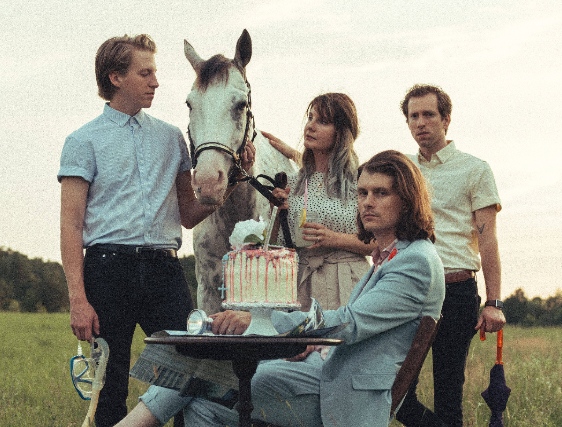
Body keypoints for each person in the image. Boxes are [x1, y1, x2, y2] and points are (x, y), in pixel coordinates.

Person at [58, 34, 253, 427]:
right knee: (109, 384)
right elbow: (71, 225)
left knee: (189, 372)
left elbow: (189, 213)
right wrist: (78, 299)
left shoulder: (171, 138)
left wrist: (235, 177)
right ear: (115, 77)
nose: (156, 82)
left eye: (155, 72)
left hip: (164, 271)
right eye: (145, 73)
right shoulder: (83, 141)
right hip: (107, 269)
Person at [178, 150, 445, 427]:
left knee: (202, 396)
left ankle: (147, 416)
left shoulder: (415, 261)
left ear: (407, 201)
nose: (367, 202)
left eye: (381, 193)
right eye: (362, 193)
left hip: (346, 394)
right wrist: (312, 344)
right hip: (327, 369)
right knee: (206, 380)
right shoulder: (392, 255)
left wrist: (261, 320)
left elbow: (350, 323)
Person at [395, 84, 507, 427]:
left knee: (448, 397)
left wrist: (494, 302)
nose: (420, 123)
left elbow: (488, 240)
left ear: (446, 119)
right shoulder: (401, 169)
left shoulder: (475, 169)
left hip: (455, 292)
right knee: (397, 396)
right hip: (408, 289)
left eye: (428, 114)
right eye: (413, 116)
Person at [263, 92, 375, 311]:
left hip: (349, 284)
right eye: (310, 118)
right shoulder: (292, 183)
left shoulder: (361, 183)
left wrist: (333, 238)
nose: (310, 126)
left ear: (341, 133)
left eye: (323, 121)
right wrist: (276, 213)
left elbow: (380, 244)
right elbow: (276, 248)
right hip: (301, 287)